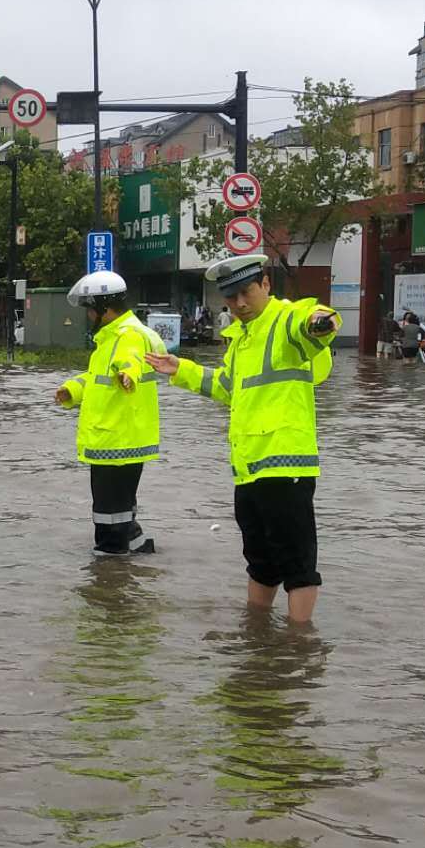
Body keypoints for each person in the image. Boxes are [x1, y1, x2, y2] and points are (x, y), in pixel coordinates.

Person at [144, 254, 337, 624]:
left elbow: (313, 320)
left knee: (297, 563)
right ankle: (257, 633)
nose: (240, 304)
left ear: (266, 285)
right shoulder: (242, 340)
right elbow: (228, 387)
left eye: (246, 293)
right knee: (260, 561)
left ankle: (298, 646)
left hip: (286, 464)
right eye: (230, 299)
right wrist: (179, 368)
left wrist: (319, 323)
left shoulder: (285, 321)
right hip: (248, 467)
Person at [53, 270, 165, 555]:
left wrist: (129, 374)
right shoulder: (112, 339)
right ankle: (138, 551)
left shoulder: (127, 336)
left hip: (116, 440)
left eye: (90, 309)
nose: (89, 316)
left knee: (108, 517)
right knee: (121, 509)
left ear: (104, 308)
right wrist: (72, 390)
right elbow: (96, 378)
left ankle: (109, 581)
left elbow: (130, 361)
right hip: (122, 439)